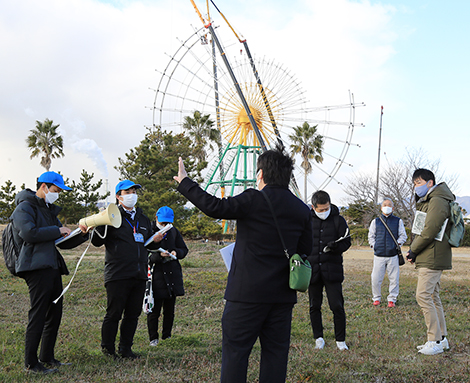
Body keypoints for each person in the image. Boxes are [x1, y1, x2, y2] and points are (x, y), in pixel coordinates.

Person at [173, 147, 313, 383]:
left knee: (236, 354)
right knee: (276, 356)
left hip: (246, 294)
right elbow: (305, 250)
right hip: (282, 296)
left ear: (260, 174)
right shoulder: (301, 208)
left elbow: (214, 207)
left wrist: (186, 183)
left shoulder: (253, 198)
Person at [11, 171, 88, 374]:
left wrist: (81, 234)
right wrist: (57, 231)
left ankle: (47, 357)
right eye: (56, 190)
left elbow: (62, 242)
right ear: (44, 186)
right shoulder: (24, 207)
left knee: (54, 313)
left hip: (52, 266)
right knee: (38, 314)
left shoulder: (48, 210)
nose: (58, 194)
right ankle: (31, 363)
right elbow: (28, 233)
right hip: (35, 268)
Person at [91, 180, 162, 359]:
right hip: (118, 273)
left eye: (134, 191)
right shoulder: (111, 216)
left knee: (133, 314)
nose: (131, 194)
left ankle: (125, 349)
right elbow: (97, 241)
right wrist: (100, 221)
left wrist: (157, 240)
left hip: (139, 274)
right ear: (118, 196)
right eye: (127, 191)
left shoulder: (143, 219)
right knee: (114, 313)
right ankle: (108, 350)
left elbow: (146, 243)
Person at [407, 168, 453, 355]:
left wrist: (413, 250)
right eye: (415, 183)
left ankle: (433, 339)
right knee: (433, 296)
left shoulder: (437, 201)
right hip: (430, 254)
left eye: (418, 183)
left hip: (432, 255)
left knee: (423, 296)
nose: (416, 187)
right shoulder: (434, 199)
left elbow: (430, 230)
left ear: (430, 183)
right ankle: (441, 339)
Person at [307, 190, 351, 351]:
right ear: (313, 207)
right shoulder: (306, 220)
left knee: (337, 306)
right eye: (321, 210)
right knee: (314, 305)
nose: (324, 212)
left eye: (327, 208)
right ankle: (318, 337)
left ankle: (340, 339)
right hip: (312, 270)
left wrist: (336, 247)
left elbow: (347, 242)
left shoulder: (338, 220)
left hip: (332, 270)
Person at [147, 206, 188, 346]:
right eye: (163, 222)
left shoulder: (173, 231)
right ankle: (153, 337)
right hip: (156, 274)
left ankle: (167, 335)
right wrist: (158, 256)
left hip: (172, 274)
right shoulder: (149, 230)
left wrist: (176, 252)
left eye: (168, 223)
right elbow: (143, 252)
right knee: (154, 310)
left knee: (170, 309)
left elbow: (184, 249)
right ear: (156, 217)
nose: (165, 225)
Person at [368, 198, 407, 308]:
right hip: (378, 255)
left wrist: (397, 245)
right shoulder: (375, 221)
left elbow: (403, 235)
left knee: (394, 278)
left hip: (393, 255)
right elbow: (371, 236)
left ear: (393, 208)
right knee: (375, 278)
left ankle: (392, 299)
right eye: (385, 204)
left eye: (389, 205)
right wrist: (374, 246)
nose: (387, 206)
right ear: (381, 207)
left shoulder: (398, 221)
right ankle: (376, 298)